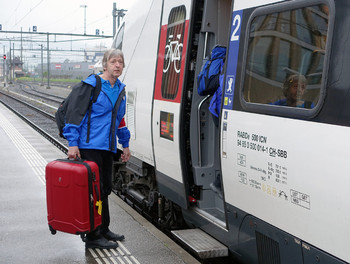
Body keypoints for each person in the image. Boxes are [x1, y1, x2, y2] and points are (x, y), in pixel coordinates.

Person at [62, 48, 131, 249]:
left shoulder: (119, 88)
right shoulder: (91, 85)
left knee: (105, 188)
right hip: (88, 146)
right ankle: (93, 236)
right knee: (94, 190)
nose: (117, 65)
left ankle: (104, 228)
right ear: (105, 64)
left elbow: (119, 120)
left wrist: (125, 144)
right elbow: (75, 115)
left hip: (107, 147)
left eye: (120, 62)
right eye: (113, 62)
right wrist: (73, 143)